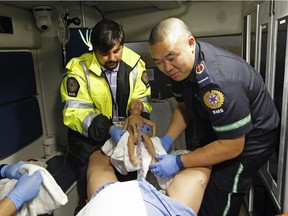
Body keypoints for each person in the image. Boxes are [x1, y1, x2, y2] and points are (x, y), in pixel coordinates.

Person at [148, 17, 280, 216]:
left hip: (251, 139)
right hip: (220, 129)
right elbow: (183, 108)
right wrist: (167, 139)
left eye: (171, 57)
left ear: (191, 44)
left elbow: (232, 146)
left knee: (221, 190)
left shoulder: (221, 81)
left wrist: (179, 162)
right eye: (158, 62)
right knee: (204, 179)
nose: (166, 68)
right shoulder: (179, 70)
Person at [60, 19, 152, 201]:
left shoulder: (135, 64)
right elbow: (75, 113)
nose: (112, 58)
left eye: (116, 51)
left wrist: (137, 113)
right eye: (105, 53)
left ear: (122, 45)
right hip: (92, 141)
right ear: (94, 50)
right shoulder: (79, 70)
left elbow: (142, 98)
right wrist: (108, 129)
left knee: (137, 185)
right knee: (99, 186)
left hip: (128, 135)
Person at [77, 167, 211, 216]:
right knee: (197, 174)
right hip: (108, 201)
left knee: (99, 164)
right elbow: (200, 173)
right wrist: (179, 161)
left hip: (107, 202)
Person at [123, 99, 157, 164]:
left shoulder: (141, 118)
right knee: (130, 138)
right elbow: (124, 128)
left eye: (139, 103)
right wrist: (123, 134)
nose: (137, 103)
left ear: (141, 110)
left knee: (148, 140)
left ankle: (154, 156)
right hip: (131, 131)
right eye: (134, 103)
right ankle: (132, 156)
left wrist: (154, 134)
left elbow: (153, 124)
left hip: (140, 132)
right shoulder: (129, 118)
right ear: (130, 110)